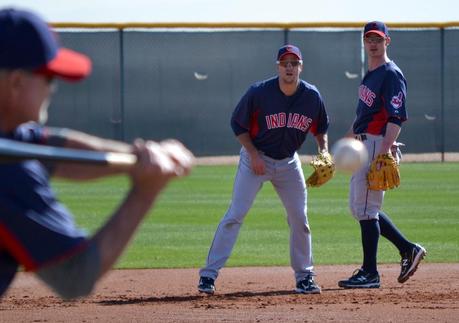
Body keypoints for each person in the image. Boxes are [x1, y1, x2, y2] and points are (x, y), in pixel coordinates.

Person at [0, 8, 194, 299]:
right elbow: (75, 276)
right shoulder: (10, 171)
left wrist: (136, 156)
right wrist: (145, 190)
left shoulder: (10, 137)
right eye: (49, 78)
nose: (53, 90)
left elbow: (52, 148)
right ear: (15, 82)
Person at [198, 44, 331, 295]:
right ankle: (208, 275)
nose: (289, 67)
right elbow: (238, 125)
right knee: (236, 214)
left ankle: (305, 276)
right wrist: (253, 154)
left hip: (289, 163)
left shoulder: (312, 96)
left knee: (299, 219)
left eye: (294, 63)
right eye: (285, 63)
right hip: (255, 160)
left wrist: (323, 150)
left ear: (301, 66)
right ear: (278, 67)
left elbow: (320, 128)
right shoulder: (259, 93)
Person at [338, 21, 426, 289]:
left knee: (366, 209)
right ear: (364, 42)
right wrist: (344, 142)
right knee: (361, 208)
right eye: (369, 39)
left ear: (388, 41)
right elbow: (363, 115)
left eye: (378, 38)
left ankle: (370, 273)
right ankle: (407, 249)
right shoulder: (371, 73)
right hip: (364, 143)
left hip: (377, 144)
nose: (373, 43)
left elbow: (396, 116)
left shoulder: (390, 74)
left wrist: (385, 151)